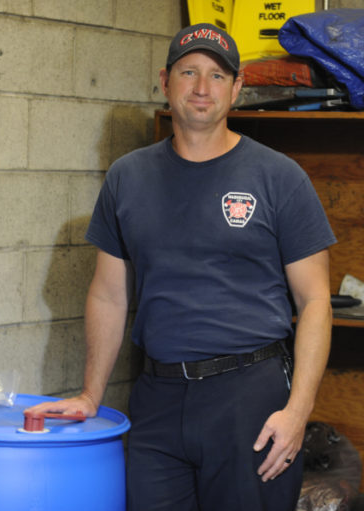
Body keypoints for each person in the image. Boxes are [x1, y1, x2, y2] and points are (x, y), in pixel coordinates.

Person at [26, 22, 336, 511]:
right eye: (188, 72)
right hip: (158, 399)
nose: (200, 87)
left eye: (217, 76)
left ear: (236, 90)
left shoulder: (279, 178)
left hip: (248, 400)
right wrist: (90, 394)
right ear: (165, 80)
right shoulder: (128, 178)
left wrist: (298, 411)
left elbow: (316, 301)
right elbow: (108, 294)